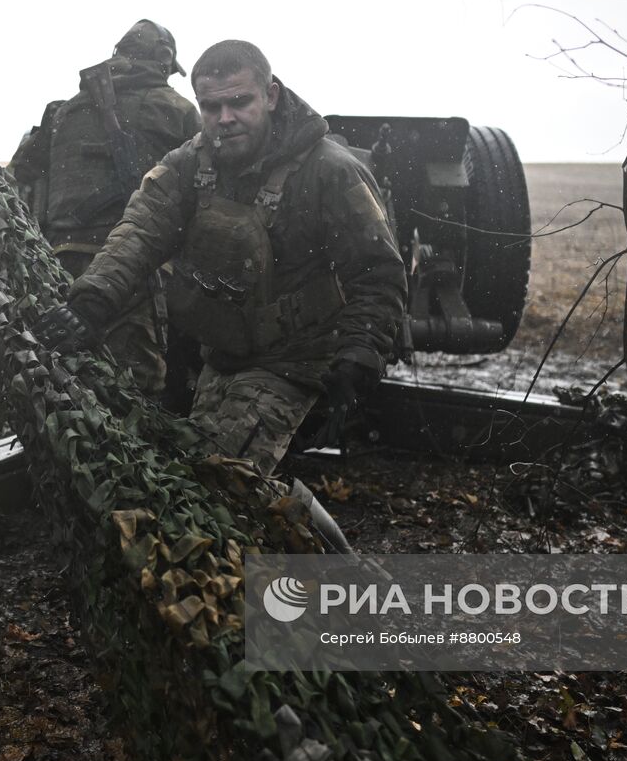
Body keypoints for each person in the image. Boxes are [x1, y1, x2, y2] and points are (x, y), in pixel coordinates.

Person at [35, 40, 406, 476]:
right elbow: (139, 232)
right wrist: (91, 302)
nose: (225, 120)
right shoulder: (188, 165)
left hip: (294, 365)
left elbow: (378, 273)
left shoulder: (329, 171)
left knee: (219, 481)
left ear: (270, 95)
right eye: (211, 107)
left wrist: (358, 362)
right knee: (188, 475)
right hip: (223, 359)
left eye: (239, 102)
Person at [11, 20, 200, 396]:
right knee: (135, 383)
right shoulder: (178, 109)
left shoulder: (64, 111)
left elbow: (23, 172)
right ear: (164, 60)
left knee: (65, 376)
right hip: (133, 265)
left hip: (57, 260)